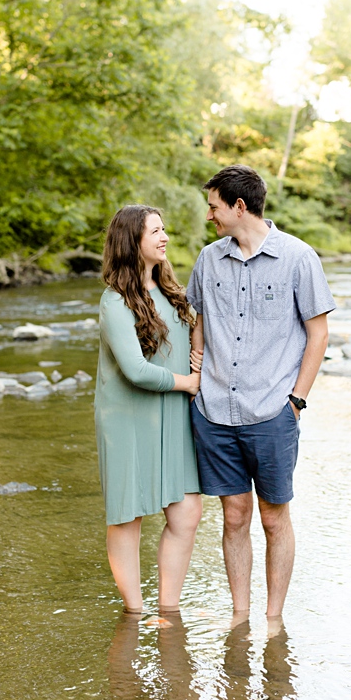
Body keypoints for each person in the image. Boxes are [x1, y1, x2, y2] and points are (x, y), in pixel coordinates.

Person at [186, 164, 335, 618]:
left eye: (213, 207)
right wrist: (195, 372)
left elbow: (319, 333)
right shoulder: (209, 259)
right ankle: (240, 615)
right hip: (214, 412)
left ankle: (273, 618)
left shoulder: (299, 257)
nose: (209, 215)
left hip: (273, 412)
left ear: (238, 206)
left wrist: (296, 401)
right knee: (234, 516)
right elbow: (197, 317)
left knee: (273, 517)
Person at [94, 204, 205, 620]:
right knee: (129, 516)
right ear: (131, 241)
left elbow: (194, 330)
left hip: (172, 416)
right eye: (155, 231)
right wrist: (189, 383)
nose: (165, 238)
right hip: (127, 418)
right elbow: (136, 371)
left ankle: (169, 609)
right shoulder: (114, 302)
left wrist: (199, 355)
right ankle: (134, 611)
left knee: (187, 512)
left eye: (165, 229)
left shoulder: (173, 291)